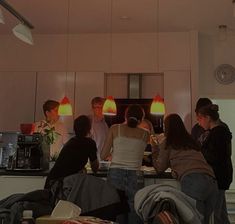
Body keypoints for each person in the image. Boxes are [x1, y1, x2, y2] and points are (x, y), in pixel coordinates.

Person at [152, 113, 218, 224]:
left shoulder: (168, 142)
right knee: (204, 221)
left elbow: (160, 168)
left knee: (192, 220)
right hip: (211, 181)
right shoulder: (191, 141)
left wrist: (154, 148)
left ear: (166, 127)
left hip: (193, 180)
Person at [101, 104, 149, 224]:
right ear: (142, 119)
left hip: (116, 174)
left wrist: (114, 152)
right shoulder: (145, 133)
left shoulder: (115, 128)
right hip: (136, 176)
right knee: (135, 210)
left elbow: (103, 155)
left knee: (116, 211)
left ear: (125, 116)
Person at [197, 104, 233, 224]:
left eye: (200, 118)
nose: (198, 122)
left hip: (218, 176)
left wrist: (200, 152)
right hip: (222, 175)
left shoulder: (217, 133)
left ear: (207, 118)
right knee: (221, 213)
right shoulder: (222, 131)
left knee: (216, 214)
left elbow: (215, 156)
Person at [44, 115, 99, 189]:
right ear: (88, 129)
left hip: (52, 181)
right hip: (59, 185)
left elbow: (70, 163)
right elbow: (95, 168)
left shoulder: (71, 142)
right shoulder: (89, 143)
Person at [90, 97, 109, 161]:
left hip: (103, 160)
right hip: (93, 160)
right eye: (97, 107)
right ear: (93, 109)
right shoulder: (90, 123)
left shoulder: (104, 124)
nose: (100, 110)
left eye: (101, 107)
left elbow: (106, 142)